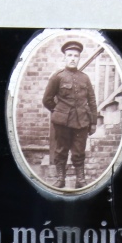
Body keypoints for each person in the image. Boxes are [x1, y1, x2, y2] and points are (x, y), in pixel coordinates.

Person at [42, 40, 98, 189]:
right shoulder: (57, 77)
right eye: (70, 55)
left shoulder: (85, 78)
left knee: (79, 152)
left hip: (82, 122)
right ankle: (61, 179)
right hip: (62, 123)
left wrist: (93, 122)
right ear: (64, 57)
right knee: (61, 151)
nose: (73, 58)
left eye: (76, 55)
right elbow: (47, 100)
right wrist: (59, 111)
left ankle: (81, 179)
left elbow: (92, 100)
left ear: (79, 58)